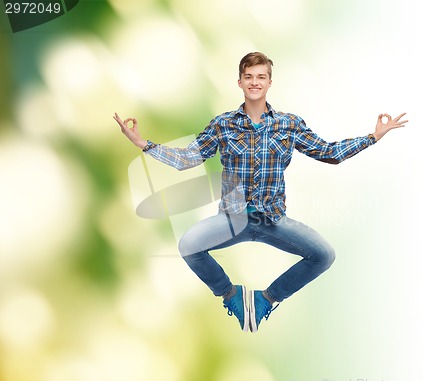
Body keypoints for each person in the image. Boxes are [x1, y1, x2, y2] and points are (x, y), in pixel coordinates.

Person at [114, 52, 408, 333]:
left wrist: (372, 137)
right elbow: (188, 158)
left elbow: (328, 153)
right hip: (232, 220)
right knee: (188, 246)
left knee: (324, 255)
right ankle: (231, 296)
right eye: (249, 76)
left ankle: (264, 300)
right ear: (239, 82)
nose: (255, 81)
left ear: (269, 83)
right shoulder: (224, 124)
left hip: (273, 222)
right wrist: (144, 144)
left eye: (261, 76)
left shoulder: (289, 124)